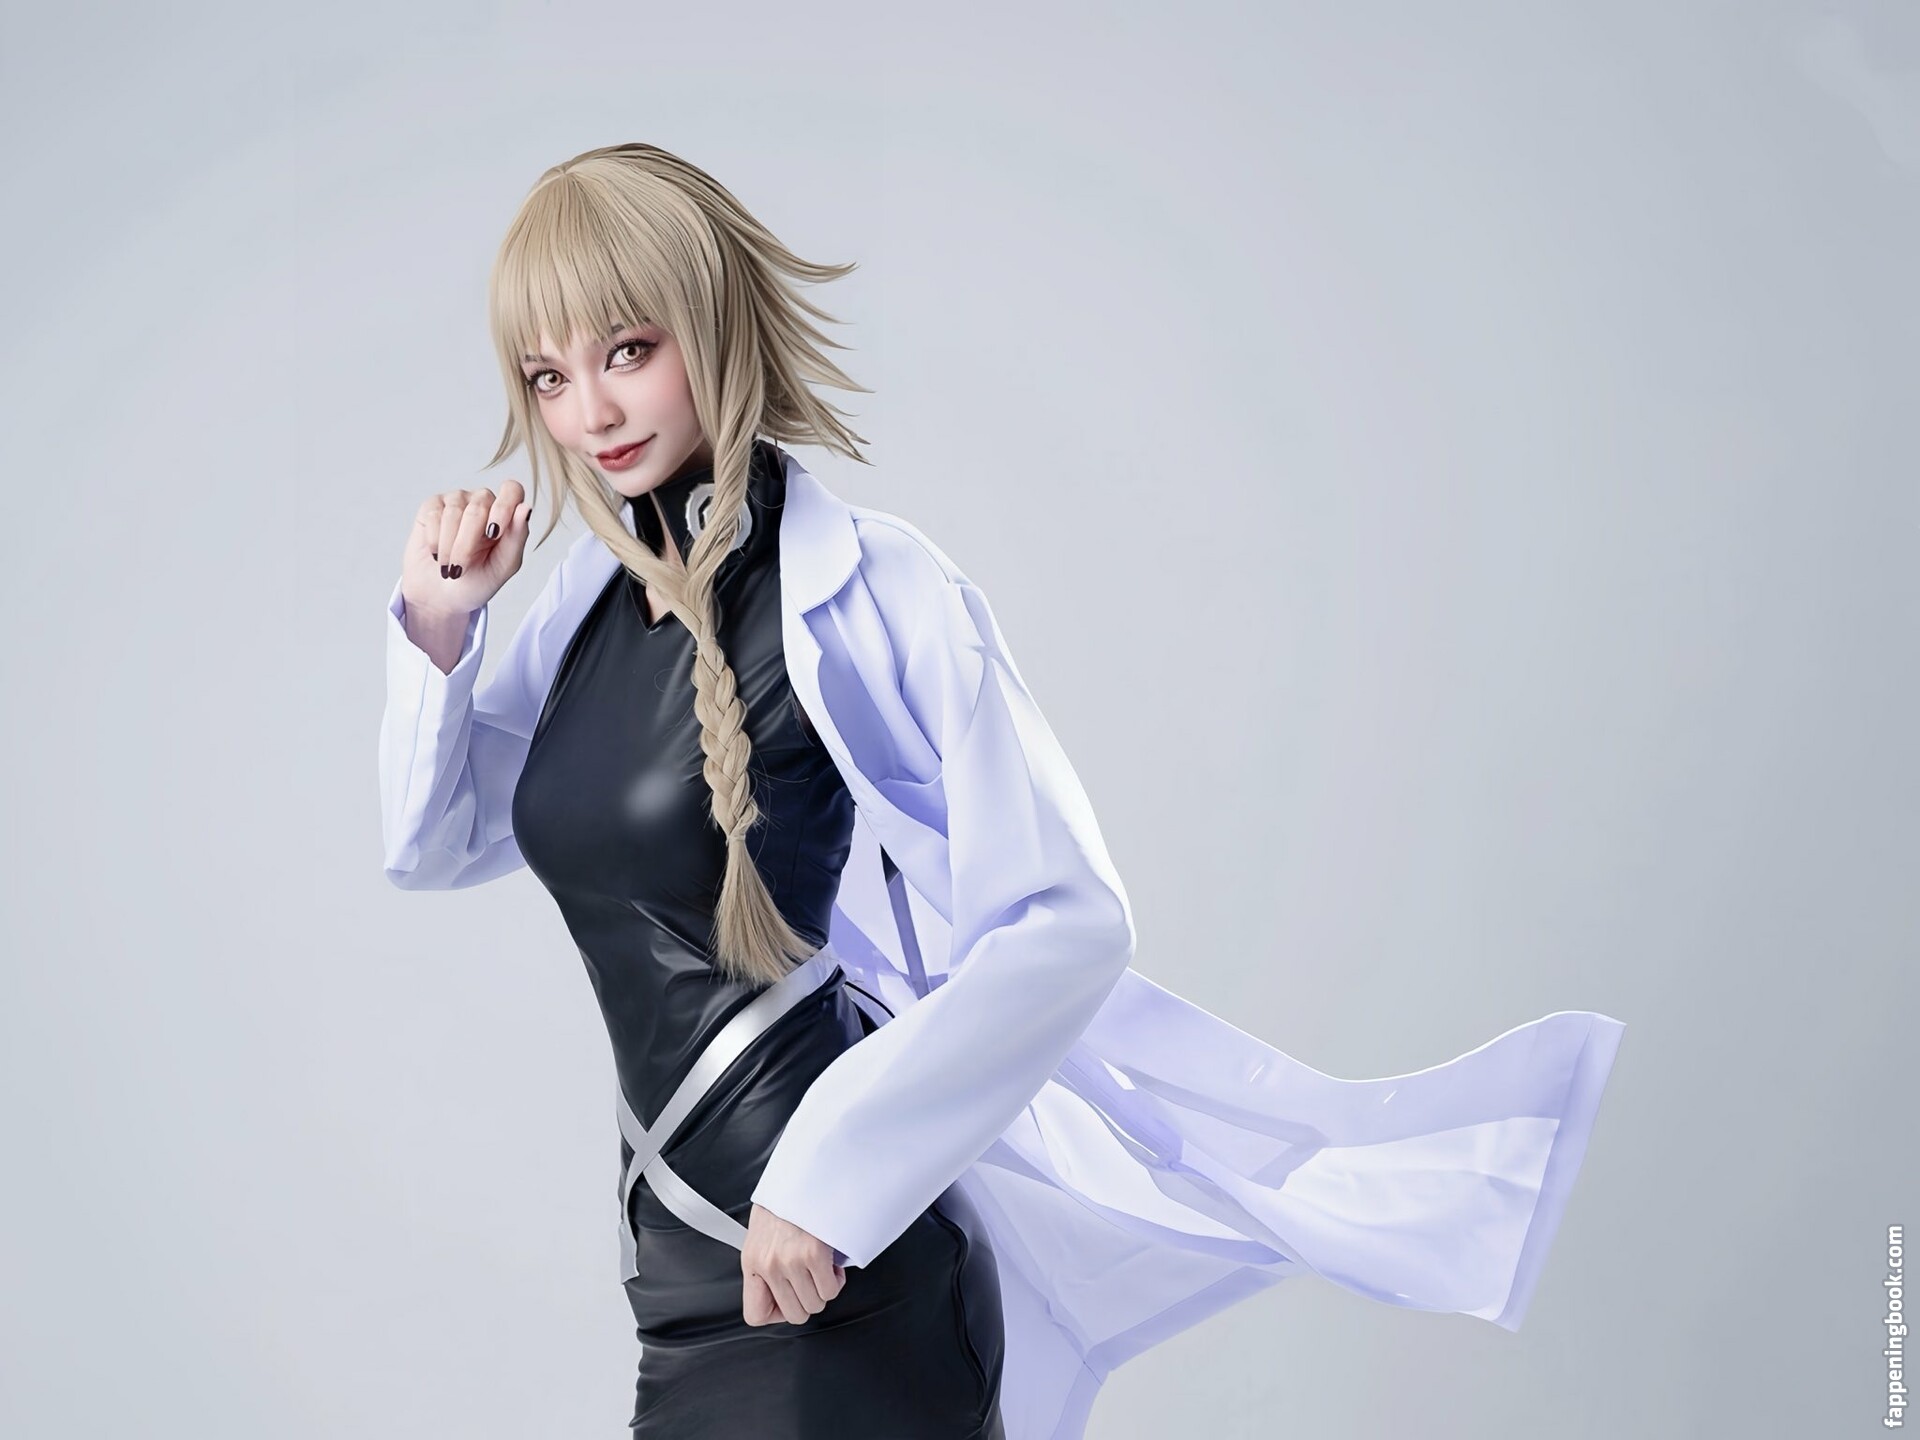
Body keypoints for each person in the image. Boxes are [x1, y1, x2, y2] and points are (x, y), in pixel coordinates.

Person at [378, 143, 1626, 1440]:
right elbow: (439, 841)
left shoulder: (874, 591)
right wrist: (438, 626)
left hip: (836, 1277)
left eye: (628, 351)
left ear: (711, 320)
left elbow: (1066, 919)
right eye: (550, 376)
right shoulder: (585, 602)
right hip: (681, 1279)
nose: (592, 411)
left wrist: (833, 1176)